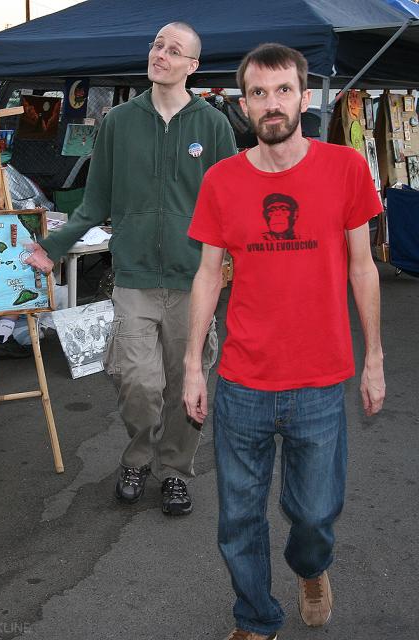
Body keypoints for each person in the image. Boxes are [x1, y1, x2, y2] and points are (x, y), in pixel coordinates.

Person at [183, 43, 385, 640]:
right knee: (238, 519)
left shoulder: (346, 168)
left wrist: (374, 359)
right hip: (242, 382)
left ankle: (311, 568)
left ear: (303, 97)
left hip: (320, 380)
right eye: (258, 93)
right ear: (243, 104)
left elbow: (364, 268)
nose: (272, 104)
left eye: (283, 90)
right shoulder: (221, 180)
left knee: (315, 514)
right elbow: (207, 275)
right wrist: (193, 366)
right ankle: (255, 618)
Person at [25, 22, 236, 516]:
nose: (161, 54)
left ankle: (175, 470)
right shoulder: (119, 121)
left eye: (174, 50)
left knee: (186, 385)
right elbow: (95, 200)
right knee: (137, 382)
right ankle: (138, 457)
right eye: (157, 45)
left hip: (193, 282)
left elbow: (233, 204)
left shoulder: (213, 126)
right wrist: (53, 247)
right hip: (134, 279)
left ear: (192, 66)